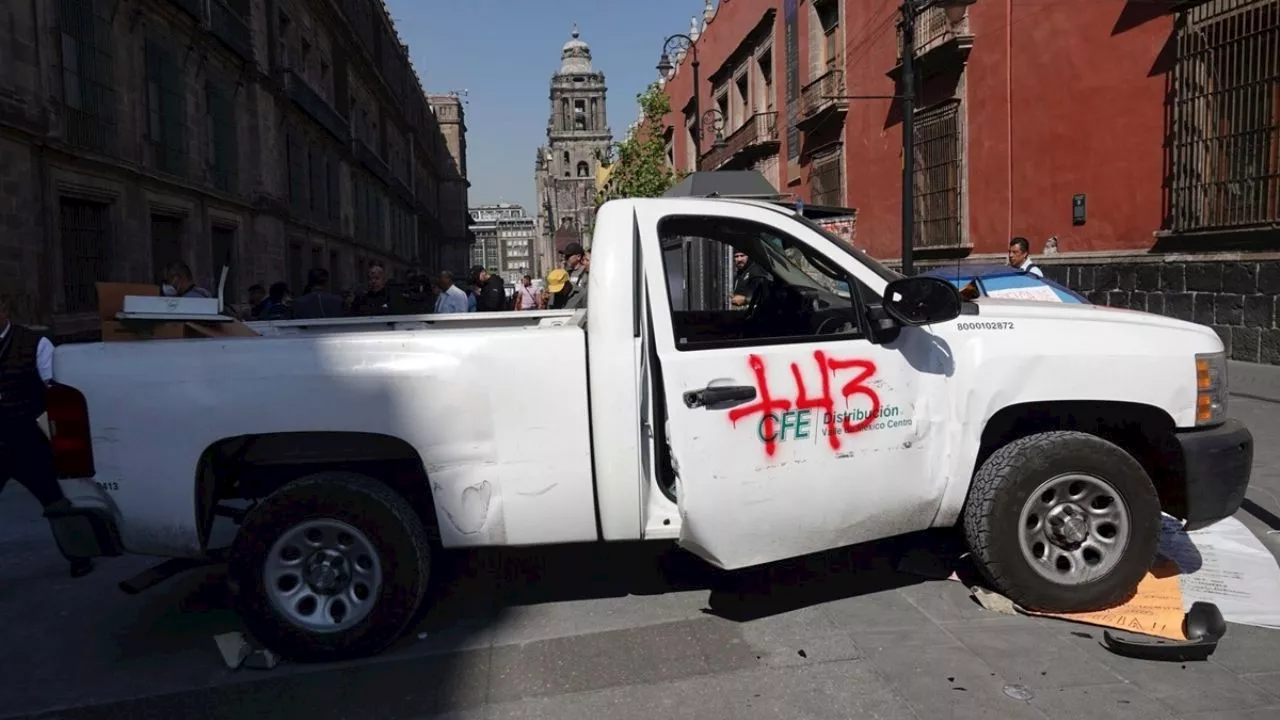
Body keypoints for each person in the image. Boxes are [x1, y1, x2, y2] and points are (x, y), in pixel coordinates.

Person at [0, 295, 93, 577]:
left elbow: (54, 387)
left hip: (28, 441)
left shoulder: (35, 344)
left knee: (54, 498)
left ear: (4, 309)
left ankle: (80, 554)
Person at [561, 244, 589, 310]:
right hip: (566, 311)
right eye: (565, 256)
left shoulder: (586, 274)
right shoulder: (566, 273)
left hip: (581, 312)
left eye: (568, 256)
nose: (565, 259)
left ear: (578, 257)